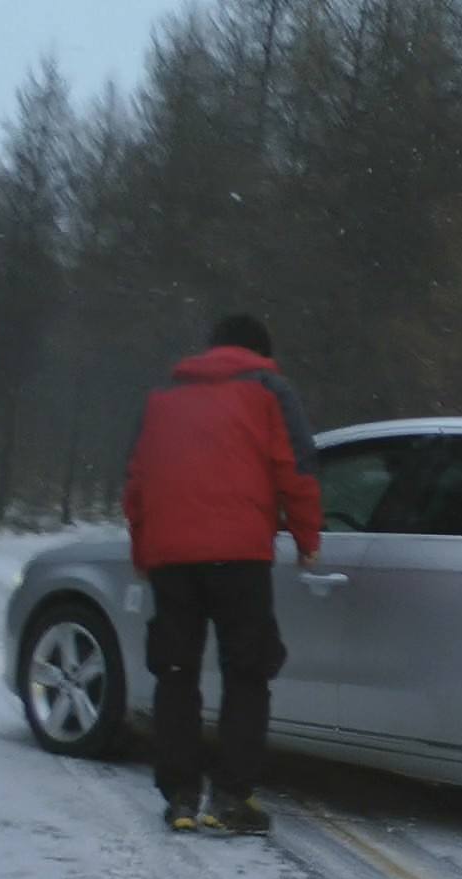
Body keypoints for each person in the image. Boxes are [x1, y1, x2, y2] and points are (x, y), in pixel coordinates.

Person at [123, 314, 323, 835]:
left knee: (175, 672)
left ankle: (181, 798)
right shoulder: (271, 389)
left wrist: (144, 550)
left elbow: (137, 480)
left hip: (172, 558)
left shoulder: (164, 397)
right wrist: (307, 538)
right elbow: (296, 470)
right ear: (261, 350)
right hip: (238, 555)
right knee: (247, 671)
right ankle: (231, 798)